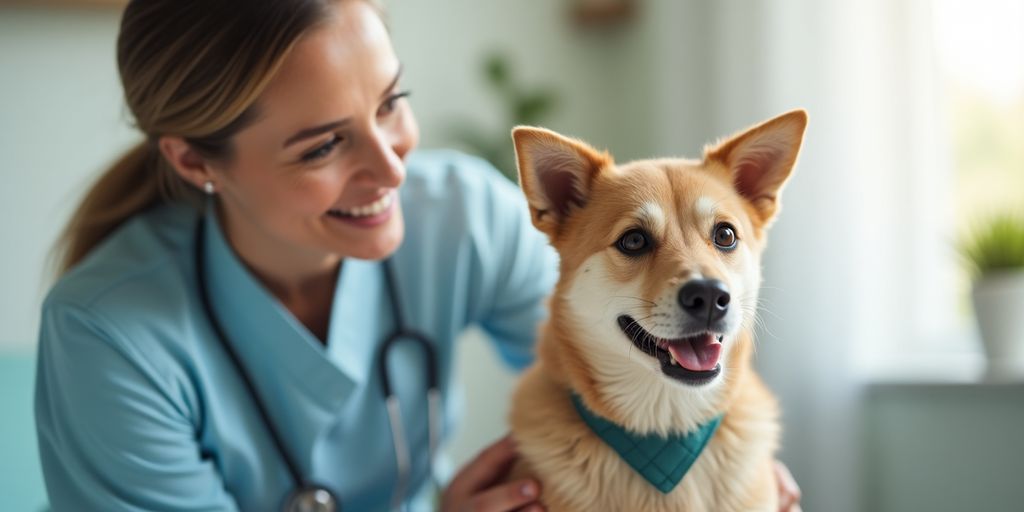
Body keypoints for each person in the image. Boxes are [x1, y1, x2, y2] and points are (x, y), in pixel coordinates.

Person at [34, 1, 801, 510]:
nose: (394, 168)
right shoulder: (110, 335)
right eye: (324, 144)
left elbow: (622, 340)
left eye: (391, 103)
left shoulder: (461, 216)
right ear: (198, 163)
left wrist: (725, 468)